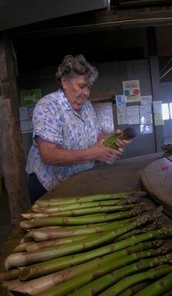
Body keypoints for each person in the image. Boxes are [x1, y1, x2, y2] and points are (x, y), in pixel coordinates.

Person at [26, 54, 131, 204]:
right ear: (64, 82)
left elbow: (97, 135)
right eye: (82, 86)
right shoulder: (48, 106)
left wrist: (113, 139)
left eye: (88, 87)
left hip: (77, 181)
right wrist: (93, 153)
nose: (86, 93)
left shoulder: (87, 106)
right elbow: (49, 155)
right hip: (48, 185)